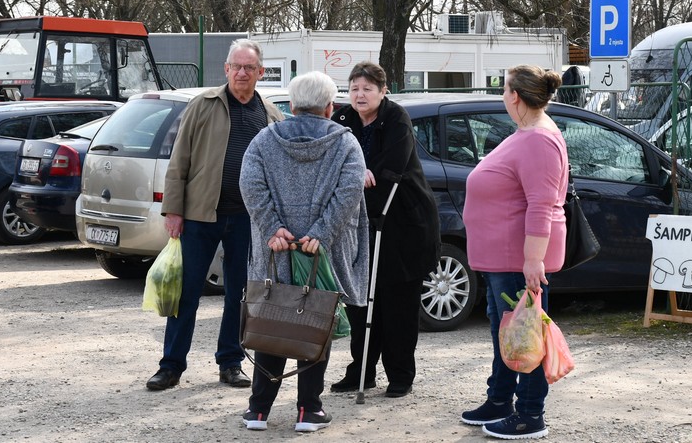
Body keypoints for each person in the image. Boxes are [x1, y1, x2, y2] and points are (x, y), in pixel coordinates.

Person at [145, 39, 284, 392]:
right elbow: (180, 160)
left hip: (247, 220)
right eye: (235, 66)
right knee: (186, 292)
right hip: (199, 216)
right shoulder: (203, 105)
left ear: (259, 73)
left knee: (239, 294)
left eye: (249, 68)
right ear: (225, 69)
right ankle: (171, 365)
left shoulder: (270, 114)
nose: (241, 72)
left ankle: (230, 362)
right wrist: (173, 210)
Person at [238, 71, 369, 432]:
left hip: (275, 249)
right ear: (330, 108)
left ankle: (258, 410)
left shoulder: (264, 140)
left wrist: (271, 227)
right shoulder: (346, 143)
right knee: (316, 319)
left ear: (292, 106)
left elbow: (249, 183)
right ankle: (308, 410)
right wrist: (320, 234)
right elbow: (349, 192)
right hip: (321, 252)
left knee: (272, 315)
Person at [459, 64, 568, 440]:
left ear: (516, 96)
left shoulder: (539, 139)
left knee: (524, 336)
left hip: (518, 259)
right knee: (504, 331)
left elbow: (542, 204)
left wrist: (533, 260)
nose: (502, 95)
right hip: (502, 257)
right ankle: (500, 399)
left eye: (504, 89)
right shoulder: (526, 132)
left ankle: (529, 413)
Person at [330, 62, 441, 398]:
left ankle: (401, 374)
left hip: (402, 223)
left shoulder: (395, 119)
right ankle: (361, 370)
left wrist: (362, 170)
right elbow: (333, 156)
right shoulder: (344, 119)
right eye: (354, 88)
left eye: (367, 88)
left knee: (397, 304)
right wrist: (354, 172)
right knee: (360, 302)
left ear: (383, 90)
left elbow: (393, 165)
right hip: (360, 224)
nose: (360, 95)